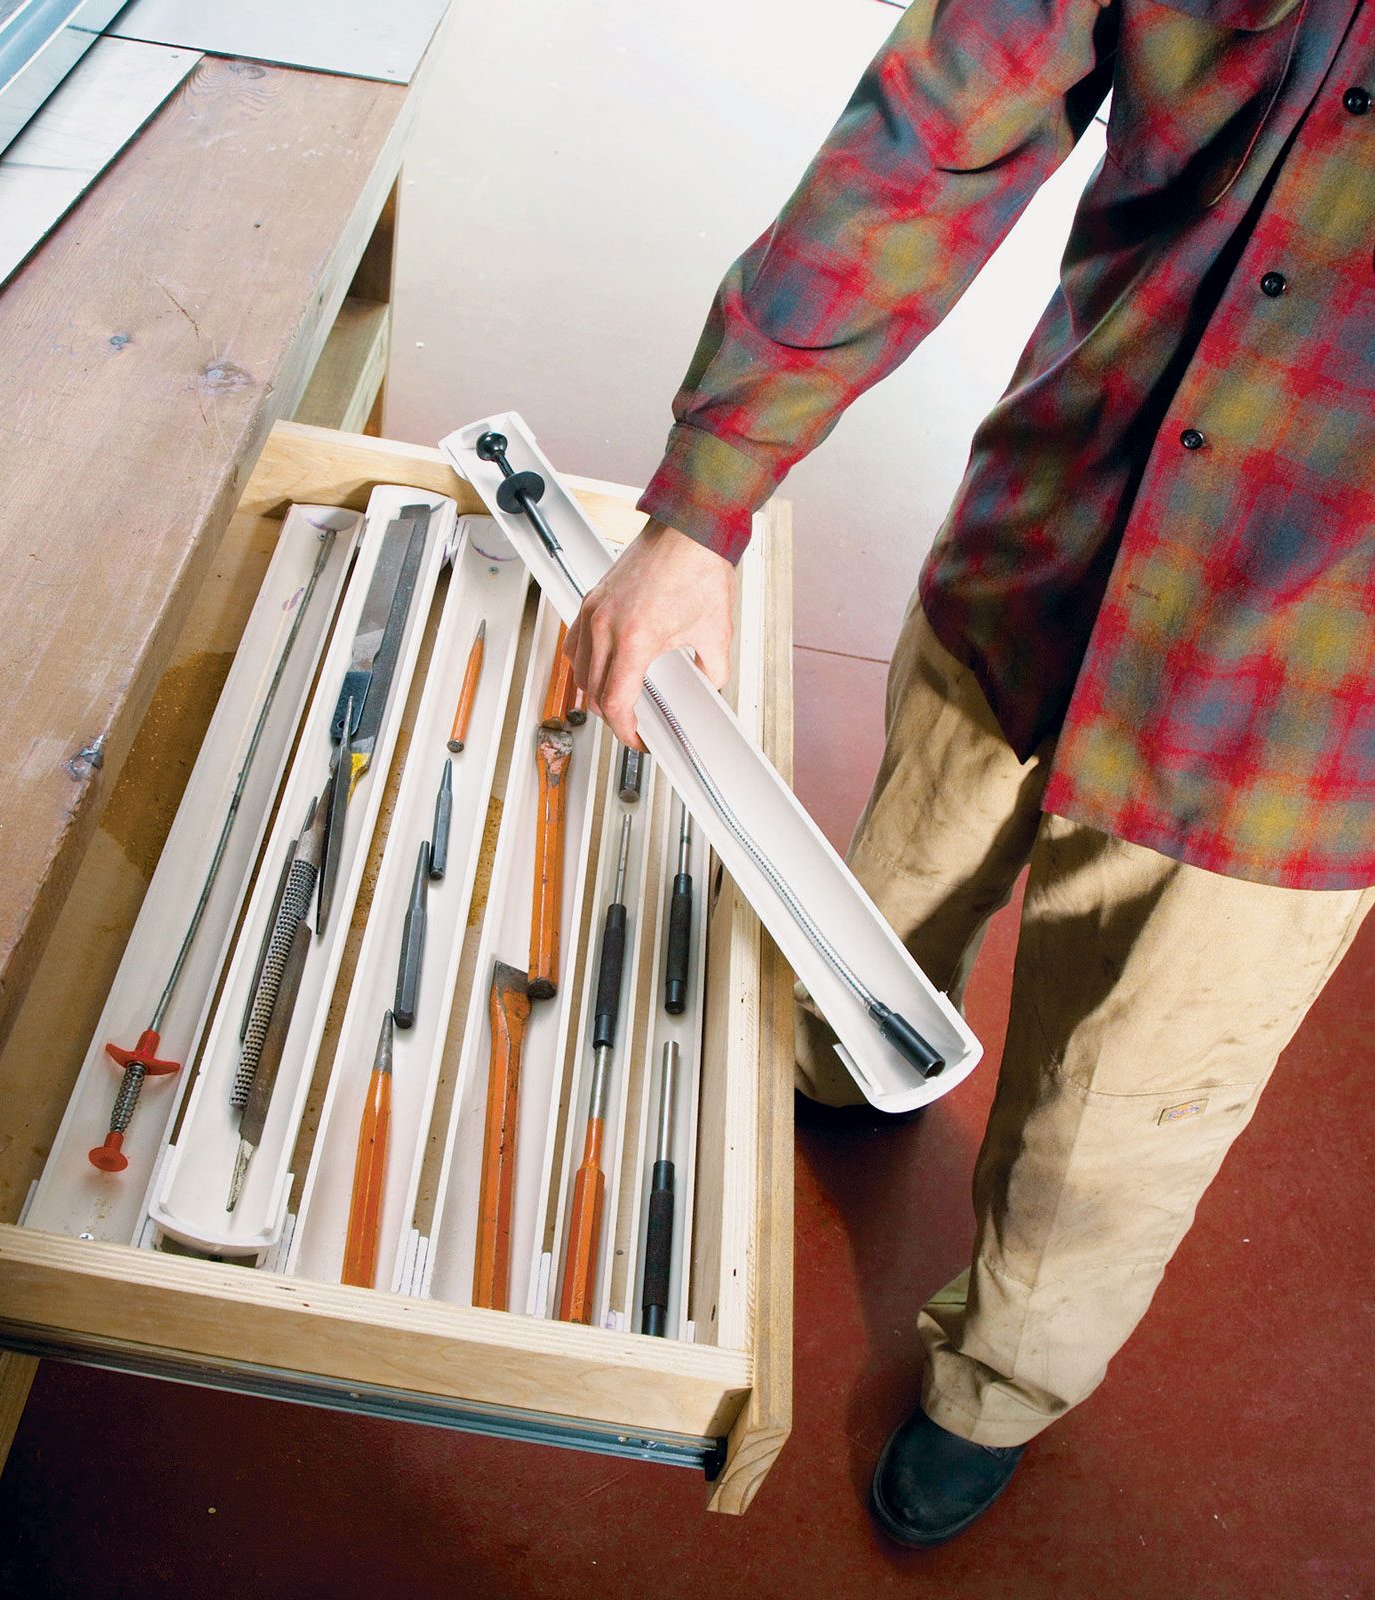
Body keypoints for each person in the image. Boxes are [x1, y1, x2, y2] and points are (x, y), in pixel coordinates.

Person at [564, 0, 1375, 1549]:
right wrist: (702, 502)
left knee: (1122, 1114)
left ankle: (1001, 1385)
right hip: (1042, 550)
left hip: (1307, 703)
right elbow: (933, 132)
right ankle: (846, 1064)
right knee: (888, 897)